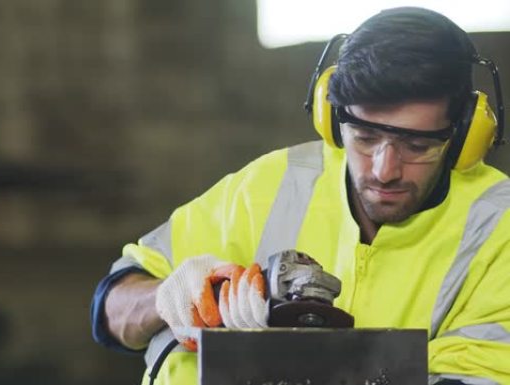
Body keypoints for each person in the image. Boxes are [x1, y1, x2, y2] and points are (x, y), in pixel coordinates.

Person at [91, 6, 510, 385]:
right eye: (364, 137)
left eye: (417, 146)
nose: (385, 170)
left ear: (464, 137)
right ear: (331, 120)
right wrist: (167, 298)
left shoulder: (497, 229)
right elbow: (110, 311)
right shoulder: (269, 186)